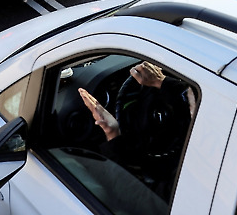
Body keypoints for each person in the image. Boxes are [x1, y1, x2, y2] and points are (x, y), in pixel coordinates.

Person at [78, 61, 195, 201]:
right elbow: (194, 97)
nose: (186, 107)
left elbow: (137, 197)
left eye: (189, 105)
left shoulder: (197, 173)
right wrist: (161, 82)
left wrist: (112, 133)